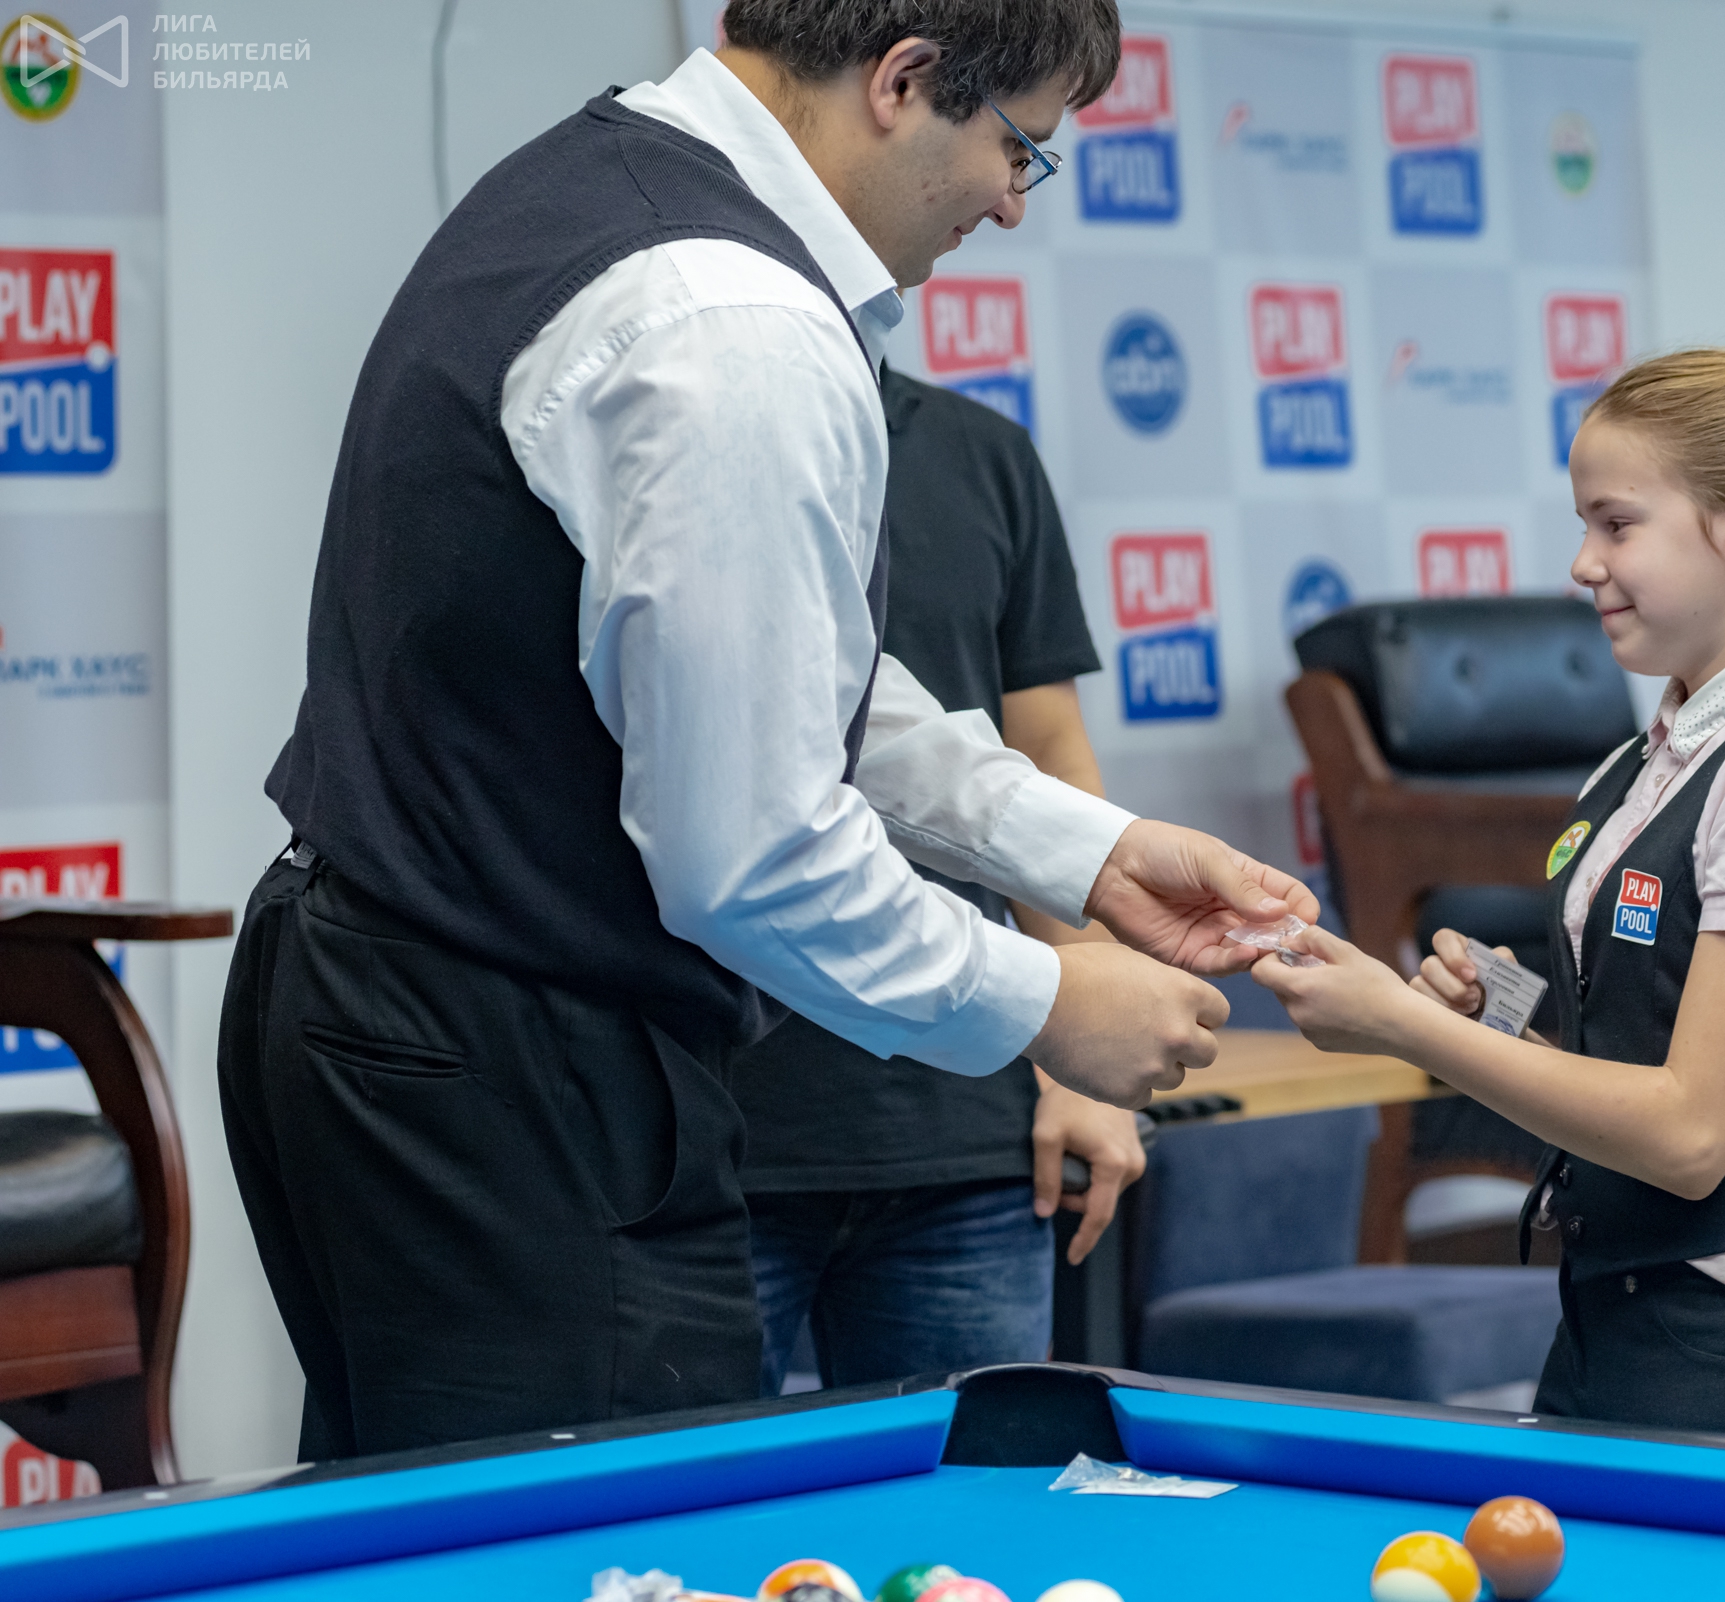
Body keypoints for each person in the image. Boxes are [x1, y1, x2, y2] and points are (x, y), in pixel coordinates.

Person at [219, 0, 1316, 1459]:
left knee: (443, 1527)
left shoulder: (602, 184)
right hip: (503, 1047)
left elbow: (793, 680)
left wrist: (1089, 852)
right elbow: (751, 853)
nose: (1011, 201)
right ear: (905, 80)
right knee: (606, 1539)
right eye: (1021, 148)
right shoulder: (732, 323)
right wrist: (1047, 1003)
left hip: (395, 996)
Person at [1251, 349, 1725, 1448]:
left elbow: (1689, 1134)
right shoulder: (1651, 758)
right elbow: (1638, 1043)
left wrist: (1401, 1025)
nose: (1584, 564)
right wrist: (1495, 1009)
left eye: (1617, 524)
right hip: (1614, 1316)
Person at [735, 365, 1140, 1395]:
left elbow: (1042, 756)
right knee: (687, 1495)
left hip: (964, 1127)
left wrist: (1079, 1059)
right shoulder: (701, 431)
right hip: (712, 1133)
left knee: (983, 1485)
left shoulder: (981, 453)